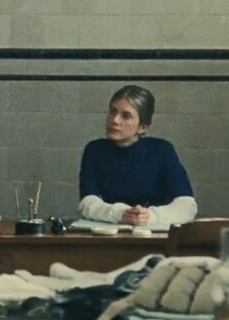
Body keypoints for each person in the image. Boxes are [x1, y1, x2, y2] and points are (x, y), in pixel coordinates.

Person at [77, 85, 198, 229]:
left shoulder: (161, 150)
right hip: (111, 232)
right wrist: (121, 213)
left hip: (155, 233)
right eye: (112, 111)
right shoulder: (95, 150)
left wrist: (151, 216)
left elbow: (187, 206)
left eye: (126, 116)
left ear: (142, 127)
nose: (114, 120)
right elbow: (87, 202)